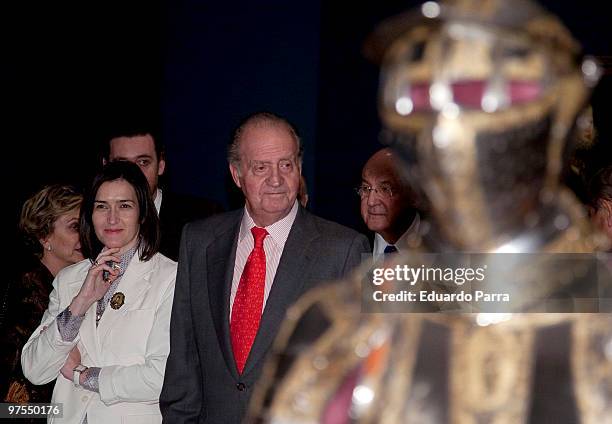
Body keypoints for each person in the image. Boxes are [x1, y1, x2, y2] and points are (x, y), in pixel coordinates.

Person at [247, 1, 612, 423]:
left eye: (487, 96)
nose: (453, 126)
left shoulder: (595, 297)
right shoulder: (337, 324)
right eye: (426, 96)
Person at [160, 111, 370, 423]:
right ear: (237, 175)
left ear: (299, 168)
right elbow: (184, 361)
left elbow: (355, 372)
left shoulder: (343, 250)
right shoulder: (200, 241)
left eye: (286, 165)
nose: (276, 179)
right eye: (261, 167)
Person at [21, 161, 177, 423]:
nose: (112, 218)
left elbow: (163, 376)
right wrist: (80, 303)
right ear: (90, 214)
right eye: (101, 206)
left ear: (143, 213)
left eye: (124, 206)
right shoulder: (70, 279)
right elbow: (35, 370)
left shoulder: (170, 277)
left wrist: (84, 375)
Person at [0, 185, 83, 407]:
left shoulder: (82, 282)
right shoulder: (28, 288)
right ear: (44, 236)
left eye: (86, 225)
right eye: (75, 227)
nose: (84, 235)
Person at [102, 121, 223, 261]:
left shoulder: (204, 218)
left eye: (143, 162)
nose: (133, 173)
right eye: (122, 164)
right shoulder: (91, 224)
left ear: (161, 165)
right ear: (105, 166)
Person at [358, 148, 419, 257]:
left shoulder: (444, 245)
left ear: (414, 195)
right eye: (366, 188)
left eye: (385, 189)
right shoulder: (351, 247)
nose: (371, 202)